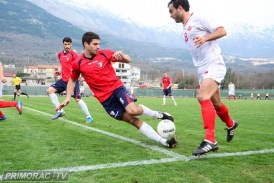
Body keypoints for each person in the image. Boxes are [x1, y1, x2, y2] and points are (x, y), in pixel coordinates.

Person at [56, 32, 178, 148]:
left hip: (116, 88)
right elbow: (72, 80)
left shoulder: (104, 54)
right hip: (105, 100)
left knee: (133, 110)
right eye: (95, 44)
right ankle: (165, 142)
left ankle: (159, 114)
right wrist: (67, 98)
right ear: (85, 44)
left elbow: (129, 59)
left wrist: (123, 57)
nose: (98, 47)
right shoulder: (78, 62)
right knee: (132, 120)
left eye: (99, 44)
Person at [168, 0, 238, 156]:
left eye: (171, 11)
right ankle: (231, 124)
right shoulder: (184, 28)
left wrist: (205, 38)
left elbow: (222, 31)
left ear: (180, 8)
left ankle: (210, 140)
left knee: (202, 96)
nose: (170, 15)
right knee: (217, 104)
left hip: (214, 63)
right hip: (203, 69)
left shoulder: (199, 18)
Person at [46, 37, 93, 123]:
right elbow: (63, 64)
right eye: (65, 44)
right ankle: (60, 111)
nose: (67, 46)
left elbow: (81, 64)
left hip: (73, 81)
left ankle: (89, 117)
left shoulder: (74, 54)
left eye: (68, 44)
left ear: (71, 44)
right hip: (63, 80)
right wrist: (60, 71)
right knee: (49, 91)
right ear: (63, 44)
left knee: (78, 99)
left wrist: (82, 75)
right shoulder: (60, 54)